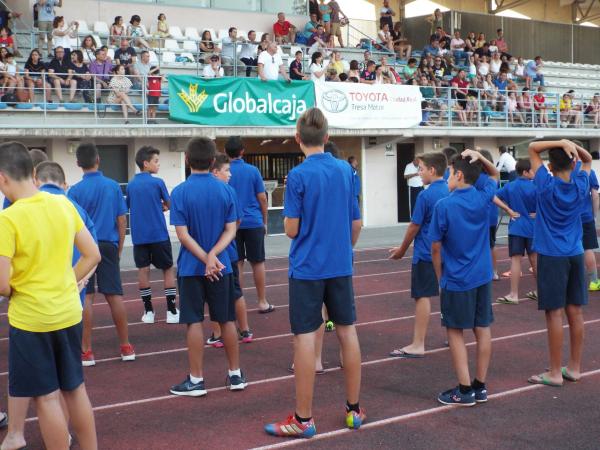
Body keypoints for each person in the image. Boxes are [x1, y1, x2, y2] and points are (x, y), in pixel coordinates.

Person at [264, 108, 364, 438]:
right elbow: (355, 222)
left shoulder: (298, 176)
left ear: (297, 139)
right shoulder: (347, 171)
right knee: (348, 332)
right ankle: (354, 410)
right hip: (339, 265)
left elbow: (290, 229)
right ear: (327, 137)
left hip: (307, 268)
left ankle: (303, 419)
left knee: (305, 338)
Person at [0, 141, 100, 450]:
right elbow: (92, 254)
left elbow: (3, 285)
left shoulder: (8, 219)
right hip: (68, 311)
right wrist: (66, 282)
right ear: (33, 172)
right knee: (75, 389)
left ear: (2, 179)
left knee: (46, 396)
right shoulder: (63, 204)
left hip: (32, 320)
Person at [169, 137, 247, 396]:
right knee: (226, 319)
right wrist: (214, 255)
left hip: (192, 268)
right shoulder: (226, 190)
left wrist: (205, 258)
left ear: (187, 160)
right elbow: (231, 230)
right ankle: (235, 375)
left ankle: (196, 380)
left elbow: (182, 235)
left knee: (193, 321)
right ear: (213, 161)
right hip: (220, 266)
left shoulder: (179, 192)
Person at [430, 149, 499, 406]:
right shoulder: (483, 198)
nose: (447, 176)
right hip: (481, 276)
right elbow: (494, 173)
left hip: (457, 278)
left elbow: (435, 248)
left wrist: (440, 278)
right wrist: (479, 158)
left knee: (455, 331)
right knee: (482, 328)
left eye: (450, 172)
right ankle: (480, 386)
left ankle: (464, 389)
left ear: (459, 175)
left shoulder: (444, 205)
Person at [527, 139, 591, 387]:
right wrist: (572, 145)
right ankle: (574, 368)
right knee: (575, 310)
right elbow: (587, 160)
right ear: (573, 162)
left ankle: (554, 372)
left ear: (550, 167)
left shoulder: (545, 184)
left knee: (554, 313)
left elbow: (533, 147)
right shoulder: (580, 184)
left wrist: (561, 142)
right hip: (575, 253)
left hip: (552, 255)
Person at [68, 142, 135, 367]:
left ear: (78, 163)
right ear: (99, 159)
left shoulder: (75, 191)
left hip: (84, 247)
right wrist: (118, 248)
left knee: (86, 296)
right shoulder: (113, 186)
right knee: (114, 295)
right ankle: (126, 346)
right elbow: (121, 219)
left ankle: (86, 351)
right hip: (107, 244)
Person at [389, 152, 449, 357]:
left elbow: (415, 225)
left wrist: (402, 249)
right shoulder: (451, 190)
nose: (418, 172)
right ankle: (453, 334)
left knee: (423, 296)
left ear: (432, 170)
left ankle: (418, 344)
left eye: (421, 169)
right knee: (448, 291)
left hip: (426, 253)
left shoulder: (426, 195)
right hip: (449, 253)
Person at [126, 146, 179, 325]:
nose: (158, 164)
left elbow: (129, 206)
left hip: (139, 236)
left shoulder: (131, 184)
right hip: (158, 234)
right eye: (156, 161)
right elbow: (169, 203)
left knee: (143, 271)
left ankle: (148, 312)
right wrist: (163, 206)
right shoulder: (158, 182)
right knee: (168, 269)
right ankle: (171, 311)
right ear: (146, 163)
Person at [206, 153, 253, 347]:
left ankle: (219, 333)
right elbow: (237, 220)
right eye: (226, 170)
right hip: (227, 251)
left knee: (216, 295)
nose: (230, 175)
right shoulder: (228, 192)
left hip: (211, 253)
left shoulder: (214, 191)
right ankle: (244, 330)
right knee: (235, 293)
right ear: (215, 172)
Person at [224, 136, 274, 314]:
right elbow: (262, 198)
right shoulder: (252, 170)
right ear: (242, 151)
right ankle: (262, 302)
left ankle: (239, 304)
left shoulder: (224, 172)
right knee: (258, 262)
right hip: (253, 221)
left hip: (232, 224)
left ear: (225, 152)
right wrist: (265, 222)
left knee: (237, 263)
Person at [496, 159, 538, 304]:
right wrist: (539, 213)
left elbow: (493, 197)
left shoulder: (510, 186)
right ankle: (542, 291)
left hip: (516, 227)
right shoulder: (536, 186)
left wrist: (508, 210)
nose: (534, 173)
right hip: (532, 228)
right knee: (535, 259)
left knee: (515, 260)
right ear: (526, 172)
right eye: (532, 170)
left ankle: (513, 294)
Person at [581, 167, 599, 290]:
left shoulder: (562, 169)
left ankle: (571, 280)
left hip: (567, 217)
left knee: (568, 247)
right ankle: (593, 281)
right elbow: (595, 196)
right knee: (588, 248)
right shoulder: (589, 172)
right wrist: (595, 215)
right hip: (585, 216)